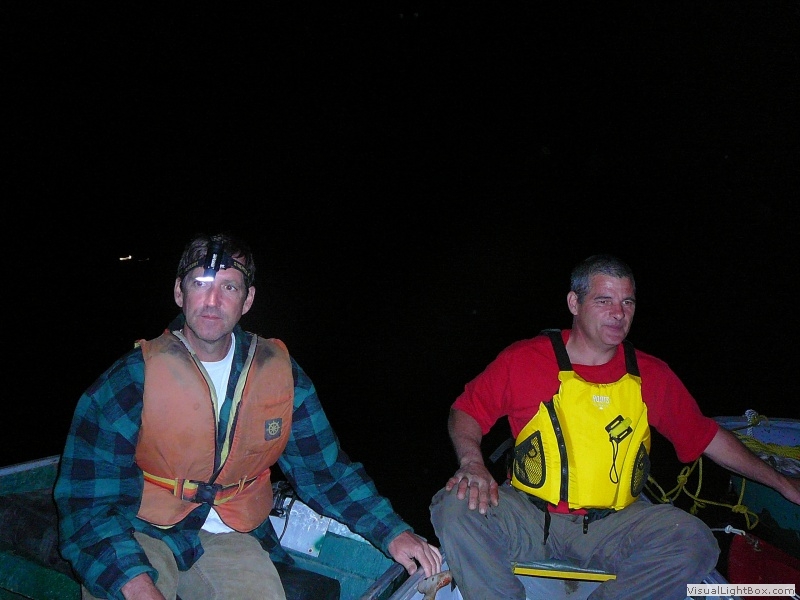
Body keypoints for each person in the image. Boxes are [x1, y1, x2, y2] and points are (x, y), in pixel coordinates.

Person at [54, 232, 442, 600]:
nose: (212, 301)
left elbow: (325, 471)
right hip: (136, 527)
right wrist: (138, 587)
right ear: (179, 292)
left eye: (229, 287)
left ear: (248, 299)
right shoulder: (130, 379)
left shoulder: (281, 375)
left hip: (230, 532)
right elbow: (85, 505)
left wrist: (393, 532)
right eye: (200, 283)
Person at [430, 253, 800, 600]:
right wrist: (472, 462)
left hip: (614, 523)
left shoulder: (651, 374)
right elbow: (465, 411)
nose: (618, 313)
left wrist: (783, 484)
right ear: (575, 303)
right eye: (604, 300)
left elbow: (707, 437)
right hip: (529, 514)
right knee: (454, 506)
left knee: (694, 541)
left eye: (628, 302)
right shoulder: (525, 359)